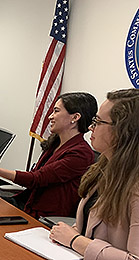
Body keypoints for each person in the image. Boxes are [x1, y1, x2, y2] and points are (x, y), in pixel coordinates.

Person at [0, 92, 97, 218]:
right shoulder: (56, 142)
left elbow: (37, 179)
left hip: (44, 218)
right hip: (27, 204)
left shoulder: (81, 153)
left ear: (75, 117)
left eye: (56, 111)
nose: (50, 117)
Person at [50, 88, 139, 259]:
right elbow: (90, 228)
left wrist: (75, 240)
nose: (91, 127)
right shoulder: (104, 168)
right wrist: (70, 233)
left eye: (98, 121)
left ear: (123, 130)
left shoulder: (135, 186)